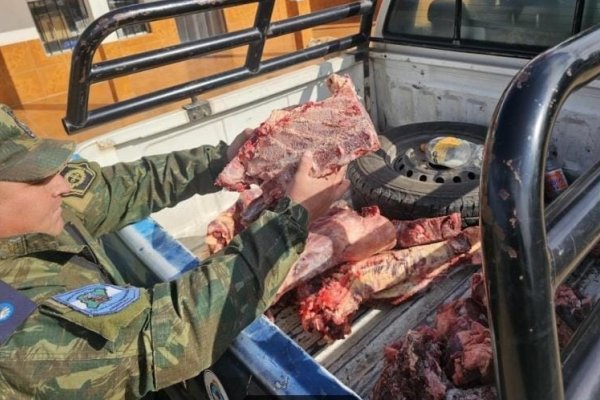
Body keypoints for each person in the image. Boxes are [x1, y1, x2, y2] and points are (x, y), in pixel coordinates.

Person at [0, 104, 350, 399]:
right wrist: (291, 220)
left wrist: (228, 161)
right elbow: (165, 336)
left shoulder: (32, 211)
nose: (61, 185)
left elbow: (122, 187)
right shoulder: (13, 340)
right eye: (36, 178)